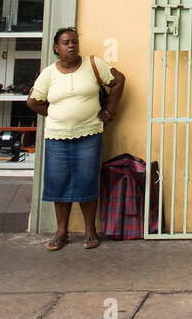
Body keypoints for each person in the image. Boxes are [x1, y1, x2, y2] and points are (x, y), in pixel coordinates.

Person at [26, 27, 125, 251]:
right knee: (58, 183)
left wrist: (108, 111)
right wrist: (52, 114)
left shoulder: (93, 65)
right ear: (56, 48)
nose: (71, 46)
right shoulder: (49, 73)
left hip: (89, 134)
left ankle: (90, 231)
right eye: (65, 42)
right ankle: (62, 232)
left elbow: (118, 80)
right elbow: (33, 101)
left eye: (74, 42)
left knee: (87, 180)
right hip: (56, 137)